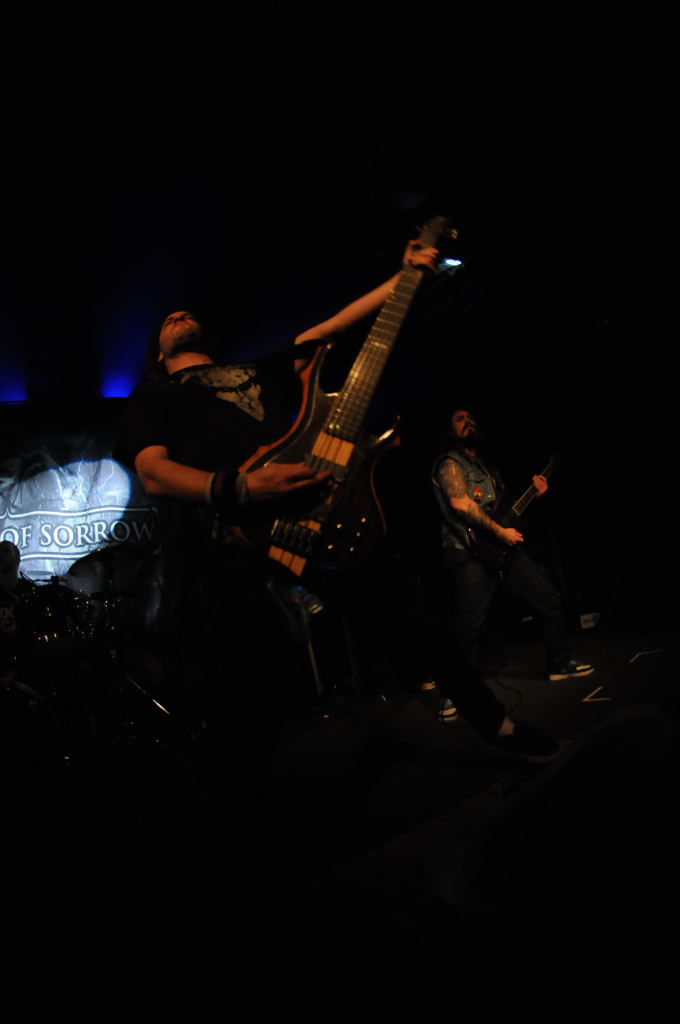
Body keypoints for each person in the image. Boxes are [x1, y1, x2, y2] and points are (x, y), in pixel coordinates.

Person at [115, 244, 559, 772]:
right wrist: (240, 488)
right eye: (167, 320)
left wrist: (404, 276)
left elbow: (331, 327)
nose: (177, 316)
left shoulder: (256, 369)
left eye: (184, 313)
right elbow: (153, 471)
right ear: (158, 352)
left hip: (321, 516)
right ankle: (246, 807)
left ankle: (495, 722)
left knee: (418, 618)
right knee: (248, 690)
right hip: (231, 536)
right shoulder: (155, 395)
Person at [432, 407, 594, 681]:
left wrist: (536, 498)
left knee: (547, 599)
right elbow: (460, 503)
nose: (468, 422)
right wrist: (501, 532)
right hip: (468, 552)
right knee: (469, 626)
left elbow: (507, 515)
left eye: (471, 418)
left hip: (501, 549)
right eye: (460, 419)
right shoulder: (450, 463)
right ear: (449, 430)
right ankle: (456, 691)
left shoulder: (487, 467)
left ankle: (559, 663)